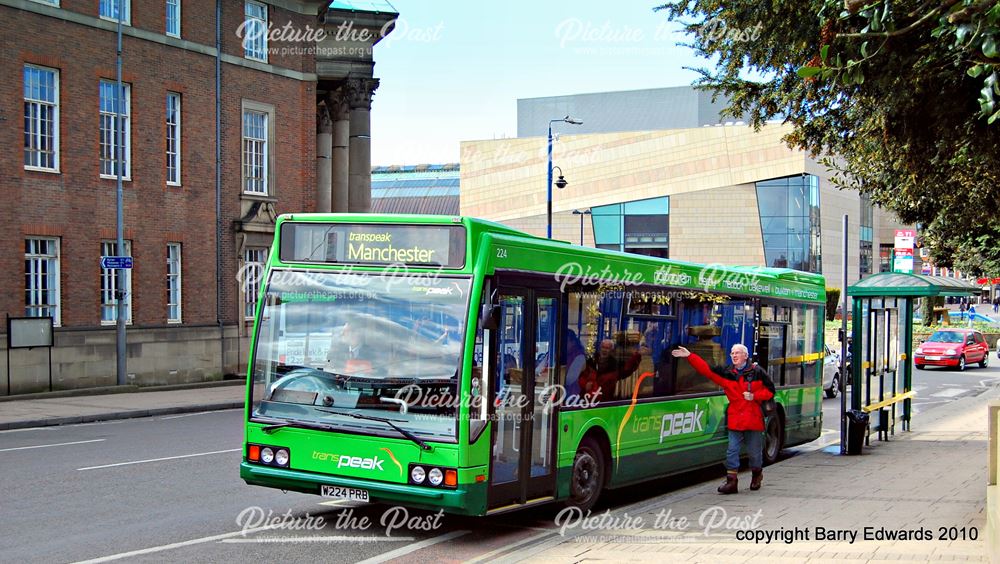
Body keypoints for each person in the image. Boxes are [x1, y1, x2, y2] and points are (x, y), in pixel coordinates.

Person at [672, 343, 775, 494]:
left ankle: (756, 474)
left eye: (737, 353)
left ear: (745, 356)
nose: (734, 355)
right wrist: (689, 356)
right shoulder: (726, 373)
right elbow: (706, 370)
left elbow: (771, 391)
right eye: (732, 353)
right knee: (732, 451)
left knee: (754, 453)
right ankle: (731, 482)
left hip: (753, 419)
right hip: (735, 419)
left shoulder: (758, 372)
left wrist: (754, 396)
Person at [578, 338, 647, 401]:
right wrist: (585, 384)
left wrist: (637, 355)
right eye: (603, 347)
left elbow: (627, 369)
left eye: (607, 348)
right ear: (600, 348)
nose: (604, 350)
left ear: (611, 350)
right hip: (587, 400)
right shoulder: (591, 361)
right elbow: (581, 377)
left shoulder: (615, 365)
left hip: (604, 401)